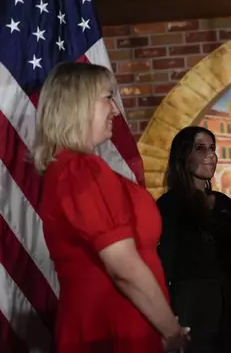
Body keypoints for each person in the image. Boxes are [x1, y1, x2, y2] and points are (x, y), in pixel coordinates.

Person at [35, 62, 188, 352]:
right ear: (78, 104)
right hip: (113, 328)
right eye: (108, 97)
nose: (116, 110)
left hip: (119, 322)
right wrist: (171, 330)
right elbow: (123, 265)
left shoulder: (74, 169)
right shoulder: (81, 169)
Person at [157, 126, 231, 353]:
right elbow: (165, 265)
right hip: (193, 317)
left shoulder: (224, 203)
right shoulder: (167, 206)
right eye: (200, 148)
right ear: (183, 156)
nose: (210, 155)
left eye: (212, 148)